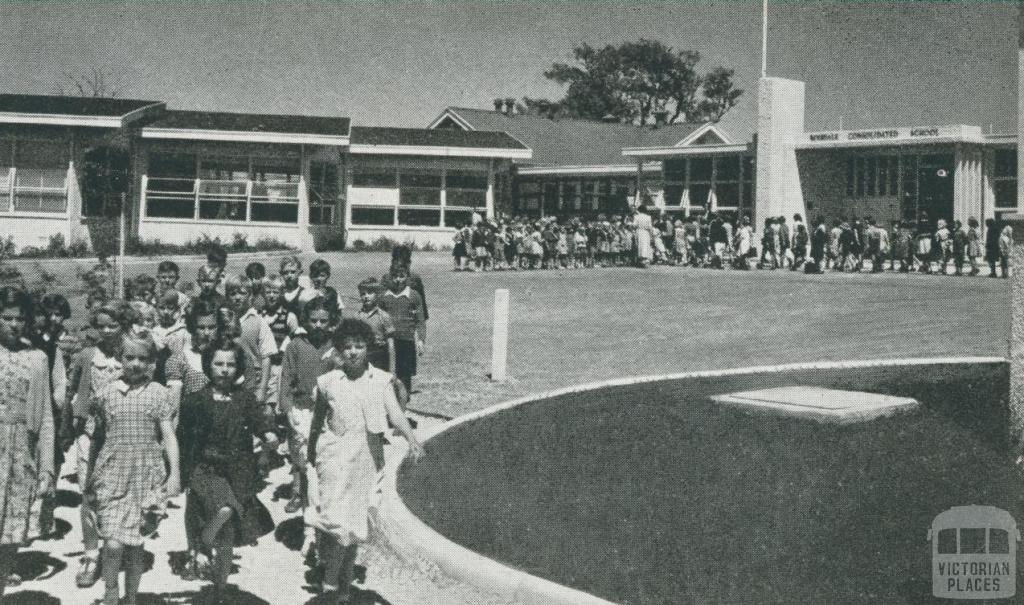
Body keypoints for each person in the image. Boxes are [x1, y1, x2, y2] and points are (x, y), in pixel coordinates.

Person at [306, 319, 425, 603]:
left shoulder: (381, 381)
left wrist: (411, 439)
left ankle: (342, 589)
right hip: (335, 459)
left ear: (368, 348)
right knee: (337, 524)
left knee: (355, 527)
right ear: (338, 350)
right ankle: (330, 580)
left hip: (367, 461)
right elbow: (317, 420)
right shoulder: (328, 382)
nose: (353, 352)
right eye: (346, 347)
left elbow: (395, 414)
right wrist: (311, 452)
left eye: (359, 346)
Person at [179, 340, 276, 603]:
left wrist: (268, 434)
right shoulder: (195, 400)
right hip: (205, 469)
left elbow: (258, 420)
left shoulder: (244, 398)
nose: (224, 370)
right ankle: (201, 541)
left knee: (228, 535)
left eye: (231, 364)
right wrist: (180, 475)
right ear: (208, 366)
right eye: (218, 364)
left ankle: (220, 589)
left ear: (239, 367)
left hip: (237, 470)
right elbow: (184, 439)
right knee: (225, 509)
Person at [86, 335, 181, 605]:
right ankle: (110, 592)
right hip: (112, 473)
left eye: (143, 359)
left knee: (136, 546)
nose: (136, 364)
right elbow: (96, 439)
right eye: (130, 357)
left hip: (145, 476)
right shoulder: (105, 393)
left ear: (152, 362)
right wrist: (90, 478)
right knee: (113, 544)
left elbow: (169, 436)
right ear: (120, 358)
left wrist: (174, 474)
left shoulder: (159, 393)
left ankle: (131, 597)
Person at [64, 302, 129, 588]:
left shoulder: (133, 352)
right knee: (88, 493)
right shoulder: (87, 355)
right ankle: (92, 555)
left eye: (112, 325)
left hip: (123, 435)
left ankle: (118, 548)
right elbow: (71, 389)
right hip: (90, 433)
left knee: (120, 494)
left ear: (124, 324)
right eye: (100, 325)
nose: (105, 331)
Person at [0, 288, 55, 598]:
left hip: (21, 452)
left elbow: (46, 416)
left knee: (10, 535)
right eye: (6, 318)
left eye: (20, 318)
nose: (14, 324)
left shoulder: (37, 358)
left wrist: (47, 466)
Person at [280, 298, 337, 521]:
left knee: (328, 465)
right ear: (305, 321)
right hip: (302, 412)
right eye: (313, 321)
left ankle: (327, 514)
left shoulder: (337, 346)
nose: (319, 325)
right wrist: (288, 410)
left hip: (330, 414)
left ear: (331, 321)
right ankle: (307, 514)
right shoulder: (295, 346)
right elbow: (286, 382)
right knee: (305, 465)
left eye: (324, 321)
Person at [378, 264, 426, 399]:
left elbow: (420, 320)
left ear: (407, 277)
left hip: (406, 342)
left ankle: (403, 409)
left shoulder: (414, 295)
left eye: (402, 276)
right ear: (389, 277)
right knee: (387, 376)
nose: (398, 280)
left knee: (404, 378)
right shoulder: (383, 296)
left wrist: (421, 340)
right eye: (394, 276)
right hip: (387, 343)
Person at [355, 278, 396, 373]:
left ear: (377, 294)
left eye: (369, 293)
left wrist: (392, 369)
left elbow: (391, 345)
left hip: (380, 357)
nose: (366, 296)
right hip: (362, 357)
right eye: (363, 294)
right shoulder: (357, 316)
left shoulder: (383, 316)